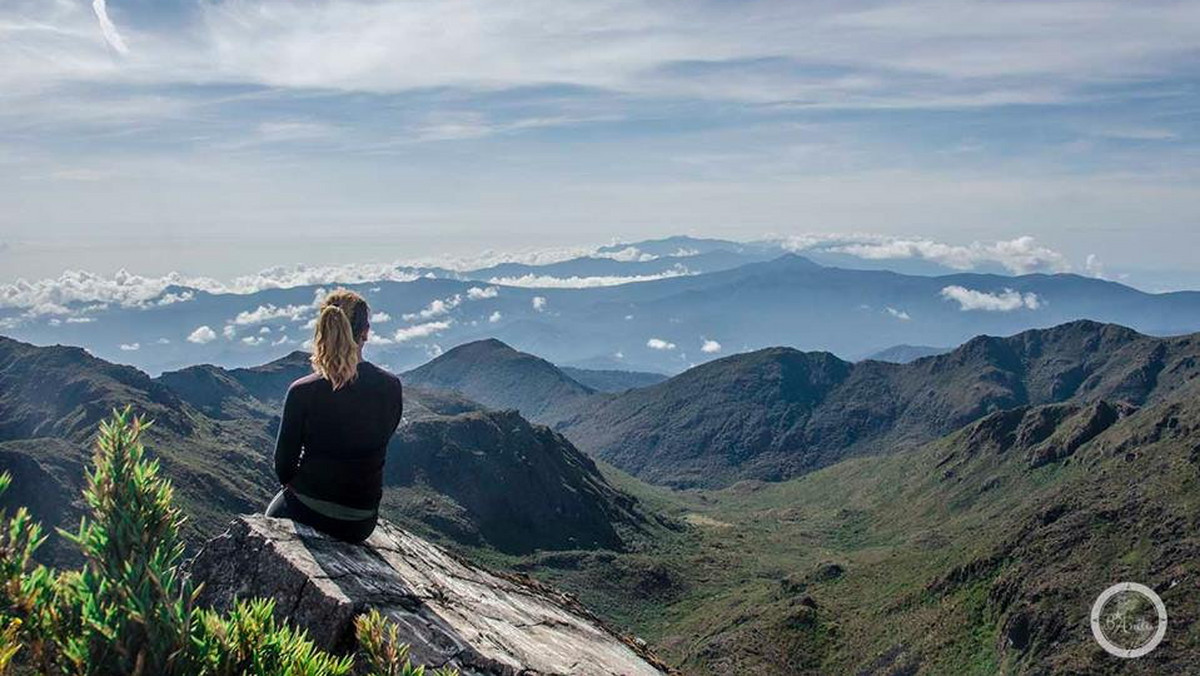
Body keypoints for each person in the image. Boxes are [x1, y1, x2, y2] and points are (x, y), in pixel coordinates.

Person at [265, 288, 403, 543]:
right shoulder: (391, 386)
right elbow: (382, 438)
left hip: (305, 509)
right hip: (360, 521)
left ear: (323, 330)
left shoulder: (302, 391)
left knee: (268, 526)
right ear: (366, 332)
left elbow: (283, 467)